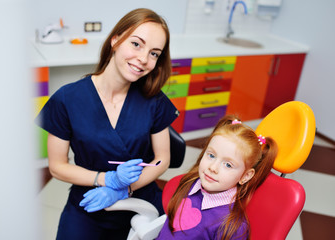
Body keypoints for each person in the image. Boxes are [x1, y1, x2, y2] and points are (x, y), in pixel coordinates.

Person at [35, 8, 178, 240]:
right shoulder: (67, 99)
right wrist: (107, 180)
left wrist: (124, 188)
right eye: (136, 44)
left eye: (154, 53)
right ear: (115, 40)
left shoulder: (155, 100)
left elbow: (162, 159)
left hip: (141, 205)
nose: (143, 59)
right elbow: (57, 166)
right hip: (90, 202)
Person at [156, 115, 278, 240]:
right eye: (211, 155)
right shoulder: (189, 184)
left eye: (228, 165)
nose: (213, 168)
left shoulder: (231, 227)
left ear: (246, 176)